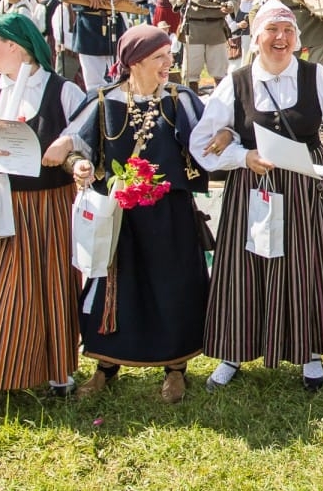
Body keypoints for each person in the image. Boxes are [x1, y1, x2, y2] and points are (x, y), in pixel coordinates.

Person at [190, 0, 323, 391]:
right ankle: (233, 350)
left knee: (303, 265)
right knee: (244, 268)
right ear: (257, 37)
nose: (280, 38)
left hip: (302, 185)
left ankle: (308, 351)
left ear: (297, 38)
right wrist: (240, 153)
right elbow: (201, 143)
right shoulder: (236, 82)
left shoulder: (316, 76)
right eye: (271, 30)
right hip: (252, 184)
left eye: (287, 31)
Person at [47, 24, 210, 402]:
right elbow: (73, 144)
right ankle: (106, 367)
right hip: (118, 216)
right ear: (135, 62)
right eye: (160, 57)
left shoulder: (180, 99)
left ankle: (175, 370)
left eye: (169, 55)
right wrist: (78, 165)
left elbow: (208, 141)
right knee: (113, 289)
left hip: (169, 215)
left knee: (174, 287)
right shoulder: (103, 100)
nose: (168, 63)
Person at [0, 13, 86, 397]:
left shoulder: (62, 91)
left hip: (46, 205)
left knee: (50, 286)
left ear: (15, 46)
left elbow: (85, 133)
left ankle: (58, 370)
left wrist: (67, 145)